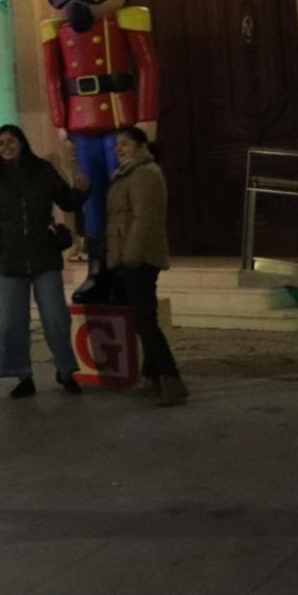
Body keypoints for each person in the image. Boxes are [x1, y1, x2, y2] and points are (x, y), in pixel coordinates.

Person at [0, 125, 87, 398]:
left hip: (44, 255)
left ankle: (66, 370)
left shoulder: (43, 171)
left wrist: (81, 191)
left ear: (22, 142)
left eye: (11, 141)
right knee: (12, 321)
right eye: (1, 143)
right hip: (10, 259)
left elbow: (67, 201)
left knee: (56, 317)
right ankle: (22, 375)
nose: (6, 147)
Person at [106, 126, 187, 406]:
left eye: (125, 143)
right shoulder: (132, 172)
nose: (118, 148)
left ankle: (171, 378)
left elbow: (143, 220)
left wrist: (130, 256)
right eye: (117, 144)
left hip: (139, 258)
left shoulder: (143, 174)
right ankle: (151, 377)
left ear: (142, 145)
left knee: (145, 322)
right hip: (131, 255)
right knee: (144, 318)